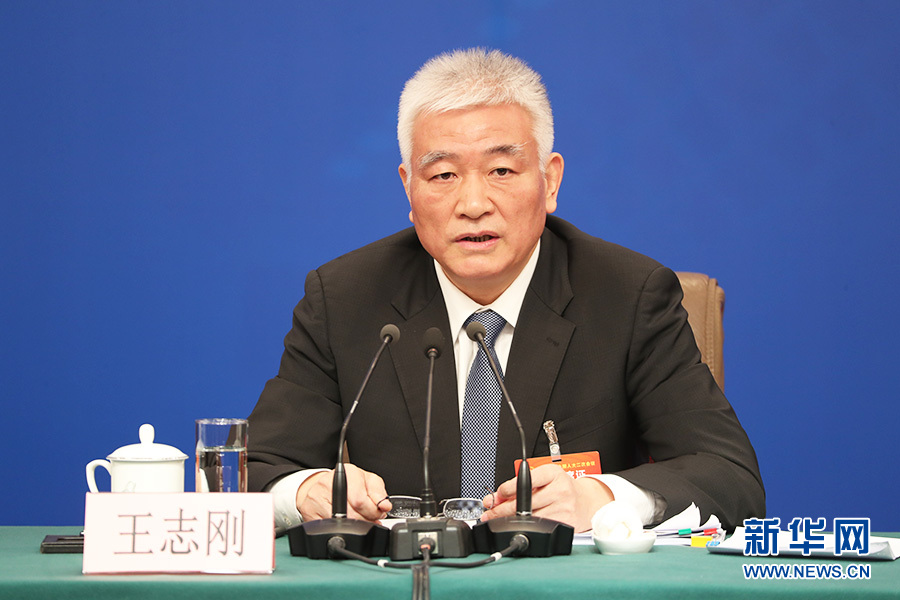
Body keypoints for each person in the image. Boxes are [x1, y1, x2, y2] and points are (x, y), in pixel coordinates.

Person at [247, 48, 765, 534]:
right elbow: (255, 468)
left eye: (501, 170)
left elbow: (729, 477)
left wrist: (600, 499)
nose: (473, 204)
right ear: (409, 188)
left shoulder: (628, 297)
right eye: (443, 175)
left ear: (550, 181)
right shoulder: (345, 299)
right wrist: (305, 490)